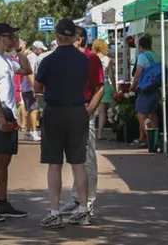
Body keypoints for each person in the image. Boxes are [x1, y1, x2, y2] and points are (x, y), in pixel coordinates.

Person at [35, 19, 92, 228]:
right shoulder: (83, 59)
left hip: (55, 111)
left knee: (54, 163)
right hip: (78, 110)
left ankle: (54, 211)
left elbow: (37, 85)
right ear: (74, 37)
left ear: (58, 36)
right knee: (78, 163)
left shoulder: (49, 60)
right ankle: (84, 209)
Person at [0, 23, 32, 223]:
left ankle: (2, 202)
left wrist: (19, 50)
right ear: (2, 38)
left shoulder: (7, 60)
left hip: (8, 114)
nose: (14, 40)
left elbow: (27, 69)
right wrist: (1, 119)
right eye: (12, 37)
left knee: (5, 161)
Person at [58, 25, 104, 221]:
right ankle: (78, 198)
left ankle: (89, 201)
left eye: (70, 38)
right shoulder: (65, 59)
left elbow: (100, 88)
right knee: (75, 158)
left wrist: (89, 111)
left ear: (80, 40)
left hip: (84, 109)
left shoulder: (91, 59)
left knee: (87, 158)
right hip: (68, 110)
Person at [130, 34, 159, 148]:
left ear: (140, 46)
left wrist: (132, 86)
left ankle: (151, 140)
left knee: (140, 114)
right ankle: (150, 137)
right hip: (156, 88)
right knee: (152, 114)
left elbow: (137, 74)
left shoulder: (143, 57)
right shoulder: (156, 55)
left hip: (146, 88)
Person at [92, 39, 114, 141]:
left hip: (93, 85)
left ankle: (90, 131)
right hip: (104, 85)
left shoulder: (91, 58)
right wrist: (114, 86)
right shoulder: (107, 59)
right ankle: (100, 133)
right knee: (102, 111)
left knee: (92, 108)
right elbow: (111, 75)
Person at [23, 41, 45, 141]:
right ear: (36, 48)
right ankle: (33, 132)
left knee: (31, 109)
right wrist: (34, 88)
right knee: (33, 109)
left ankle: (28, 131)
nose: (42, 51)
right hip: (29, 88)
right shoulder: (32, 57)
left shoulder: (32, 57)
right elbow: (30, 73)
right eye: (40, 49)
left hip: (27, 88)